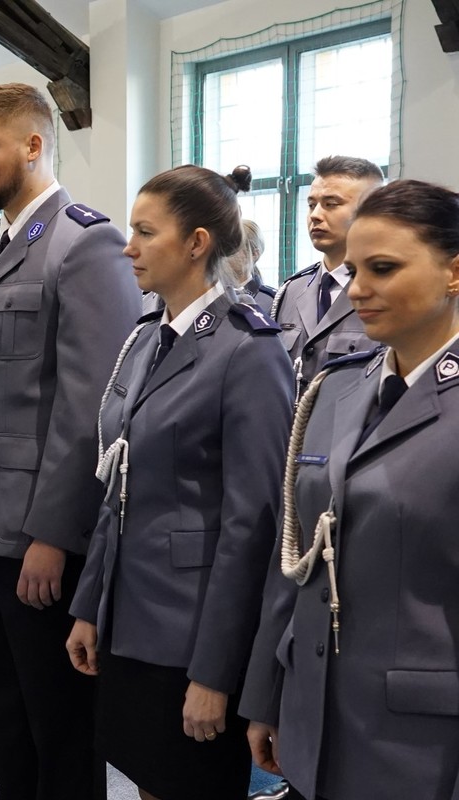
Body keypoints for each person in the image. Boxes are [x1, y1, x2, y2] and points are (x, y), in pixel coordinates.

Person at [0, 82, 141, 800]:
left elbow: (91, 409)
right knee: (2, 713)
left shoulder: (87, 244)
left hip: (33, 533)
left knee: (60, 726)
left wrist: (55, 532)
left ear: (32, 145)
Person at [65, 165, 294, 800]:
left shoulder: (250, 351)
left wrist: (217, 673)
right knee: (149, 779)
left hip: (193, 633)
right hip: (133, 616)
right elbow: (119, 485)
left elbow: (255, 528)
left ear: (196, 243)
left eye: (144, 232)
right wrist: (91, 605)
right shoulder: (146, 339)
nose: (127, 247)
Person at [240, 179, 459, 800]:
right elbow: (296, 562)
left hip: (421, 746)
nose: (357, 288)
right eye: (356, 268)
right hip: (316, 712)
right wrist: (267, 695)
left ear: (454, 273)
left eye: (383, 269)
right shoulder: (335, 390)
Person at [272, 156, 383, 397]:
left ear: (372, 211)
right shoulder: (292, 291)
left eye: (331, 204)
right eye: (312, 205)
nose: (315, 215)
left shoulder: (387, 292)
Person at [226, 220, 275, 315]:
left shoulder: (272, 301)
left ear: (254, 254)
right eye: (224, 247)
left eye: (233, 248)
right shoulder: (213, 296)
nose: (225, 254)